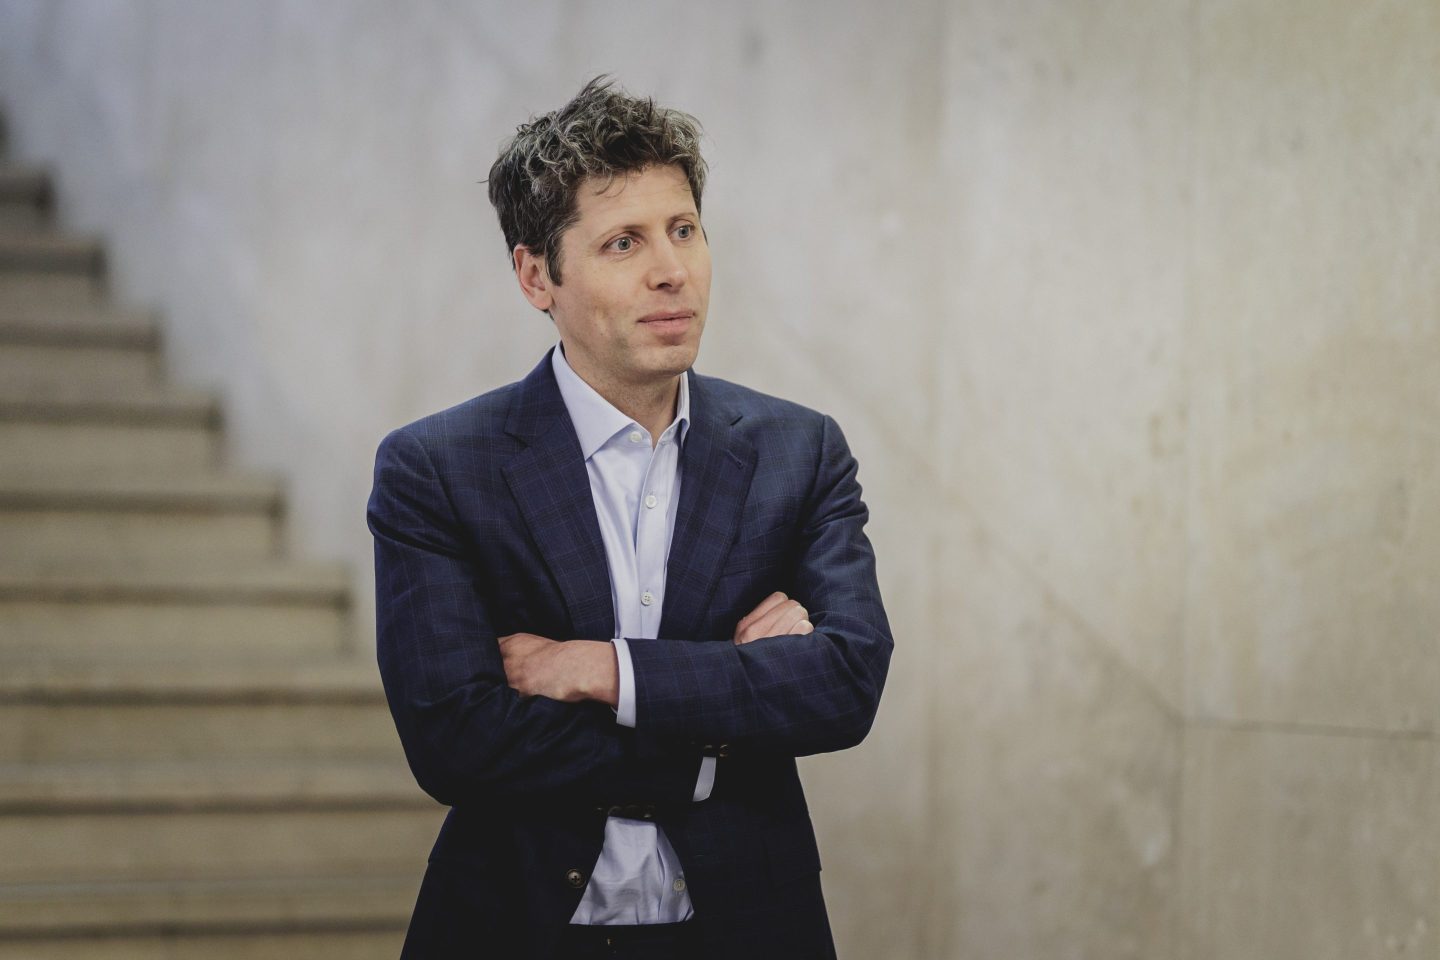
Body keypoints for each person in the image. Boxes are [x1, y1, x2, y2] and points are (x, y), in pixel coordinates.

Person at [367, 77, 892, 960]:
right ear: (539, 275)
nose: (671, 270)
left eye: (684, 229)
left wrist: (606, 672)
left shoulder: (799, 451)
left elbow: (845, 684)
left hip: (750, 928)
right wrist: (722, 721)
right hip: (516, 928)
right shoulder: (439, 469)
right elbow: (458, 741)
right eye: (623, 242)